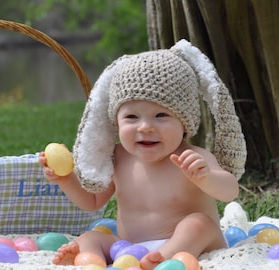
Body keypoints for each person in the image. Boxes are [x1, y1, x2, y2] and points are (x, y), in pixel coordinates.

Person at [39, 39, 247, 270]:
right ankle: (91, 261)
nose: (145, 127)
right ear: (116, 123)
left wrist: (207, 177)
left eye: (160, 116)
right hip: (131, 248)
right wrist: (65, 179)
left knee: (199, 224)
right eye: (131, 117)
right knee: (89, 238)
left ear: (185, 123)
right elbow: (92, 201)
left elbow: (230, 191)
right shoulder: (117, 157)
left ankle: (162, 259)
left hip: (191, 245)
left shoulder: (193, 157)